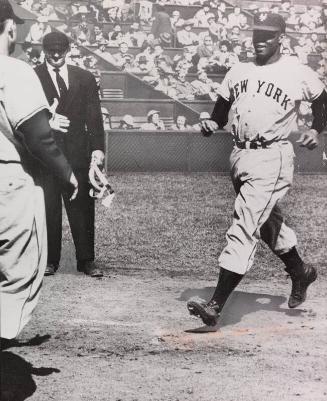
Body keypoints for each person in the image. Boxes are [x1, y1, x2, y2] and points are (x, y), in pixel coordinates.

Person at [187, 13, 327, 327]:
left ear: (281, 37)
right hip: (240, 154)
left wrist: (317, 129)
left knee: (245, 222)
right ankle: (300, 271)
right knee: (267, 222)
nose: (261, 39)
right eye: (257, 33)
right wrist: (212, 123)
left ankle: (216, 304)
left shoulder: (295, 70)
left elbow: (322, 100)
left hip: (272, 155)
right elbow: (220, 113)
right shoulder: (239, 70)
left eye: (268, 34)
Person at [0, 0, 77, 342]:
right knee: (18, 273)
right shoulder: (14, 70)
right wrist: (66, 172)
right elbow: (37, 135)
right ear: (10, 28)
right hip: (8, 179)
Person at [34, 32, 105, 277]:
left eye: (60, 50)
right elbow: (24, 115)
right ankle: (49, 260)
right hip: (45, 156)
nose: (55, 55)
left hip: (78, 154)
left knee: (82, 207)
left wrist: (97, 149)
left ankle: (86, 260)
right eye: (51, 50)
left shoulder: (84, 78)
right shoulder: (32, 77)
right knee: (48, 206)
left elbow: (94, 117)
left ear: (69, 49)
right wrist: (47, 121)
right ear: (43, 50)